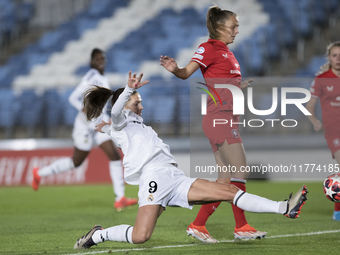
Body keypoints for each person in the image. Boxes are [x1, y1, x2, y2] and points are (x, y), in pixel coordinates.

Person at [73, 71, 307, 249]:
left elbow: (112, 126)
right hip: (153, 178)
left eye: (141, 101)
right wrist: (126, 90)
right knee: (140, 236)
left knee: (227, 191)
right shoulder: (121, 119)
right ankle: (97, 235)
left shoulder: (130, 124)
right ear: (124, 105)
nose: (142, 106)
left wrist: (105, 128)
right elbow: (114, 115)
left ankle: (284, 208)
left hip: (174, 177)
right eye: (137, 102)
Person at [160, 6, 264, 242]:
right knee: (241, 171)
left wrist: (239, 87)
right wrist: (174, 69)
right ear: (219, 27)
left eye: (237, 26)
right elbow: (186, 72)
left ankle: (198, 225)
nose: (237, 30)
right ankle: (242, 227)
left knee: (225, 181)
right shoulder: (207, 48)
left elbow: (222, 83)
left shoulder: (226, 51)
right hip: (220, 119)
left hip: (225, 117)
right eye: (233, 26)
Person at [31, 48, 137, 211]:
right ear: (92, 61)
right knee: (76, 162)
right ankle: (39, 173)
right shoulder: (92, 77)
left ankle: (120, 198)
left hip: (99, 124)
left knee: (115, 157)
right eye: (97, 59)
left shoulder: (101, 77)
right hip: (85, 126)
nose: (101, 61)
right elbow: (72, 97)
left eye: (103, 58)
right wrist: (83, 108)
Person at [306, 41, 340, 221]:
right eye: (335, 55)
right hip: (334, 131)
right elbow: (309, 105)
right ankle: (338, 211)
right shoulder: (322, 79)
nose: (338, 59)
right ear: (329, 58)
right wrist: (314, 121)